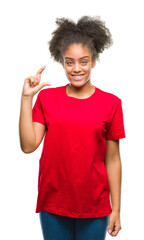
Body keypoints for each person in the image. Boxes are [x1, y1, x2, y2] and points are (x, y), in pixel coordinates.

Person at [19, 15, 126, 240]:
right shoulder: (47, 98)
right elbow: (28, 146)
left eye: (83, 61)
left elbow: (113, 159)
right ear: (62, 62)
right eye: (70, 62)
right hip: (54, 203)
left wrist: (115, 208)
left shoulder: (112, 103)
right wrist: (26, 98)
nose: (77, 69)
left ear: (93, 61)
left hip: (95, 205)